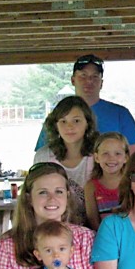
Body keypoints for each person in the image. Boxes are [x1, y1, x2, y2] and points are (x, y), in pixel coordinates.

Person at [34, 54, 135, 154]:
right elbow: (43, 154)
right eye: (83, 76)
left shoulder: (121, 114)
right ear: (72, 80)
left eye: (95, 77)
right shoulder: (59, 114)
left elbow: (133, 156)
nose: (89, 81)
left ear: (101, 83)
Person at [33, 96, 97, 225]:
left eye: (76, 121)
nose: (69, 127)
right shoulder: (43, 156)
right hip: (53, 228)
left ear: (87, 124)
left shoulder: (99, 155)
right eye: (63, 121)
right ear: (55, 125)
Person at [84, 132, 130, 230]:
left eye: (117, 153)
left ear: (126, 158)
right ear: (96, 157)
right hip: (104, 236)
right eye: (105, 153)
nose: (111, 158)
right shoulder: (91, 187)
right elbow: (93, 219)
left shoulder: (132, 183)